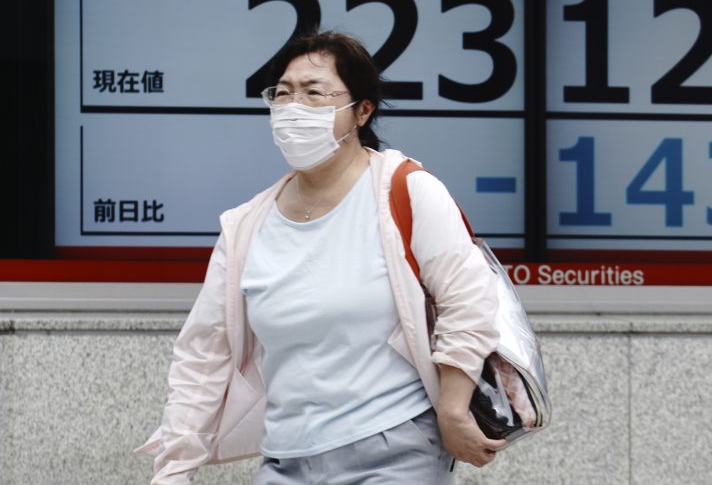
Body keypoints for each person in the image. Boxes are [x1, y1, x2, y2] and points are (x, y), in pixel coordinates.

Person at [137, 31, 505, 484]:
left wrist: (452, 409)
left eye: (313, 93)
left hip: (396, 452)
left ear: (362, 110)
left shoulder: (405, 190)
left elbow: (468, 299)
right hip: (285, 460)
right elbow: (203, 355)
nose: (293, 107)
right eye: (283, 93)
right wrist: (173, 467)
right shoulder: (246, 226)